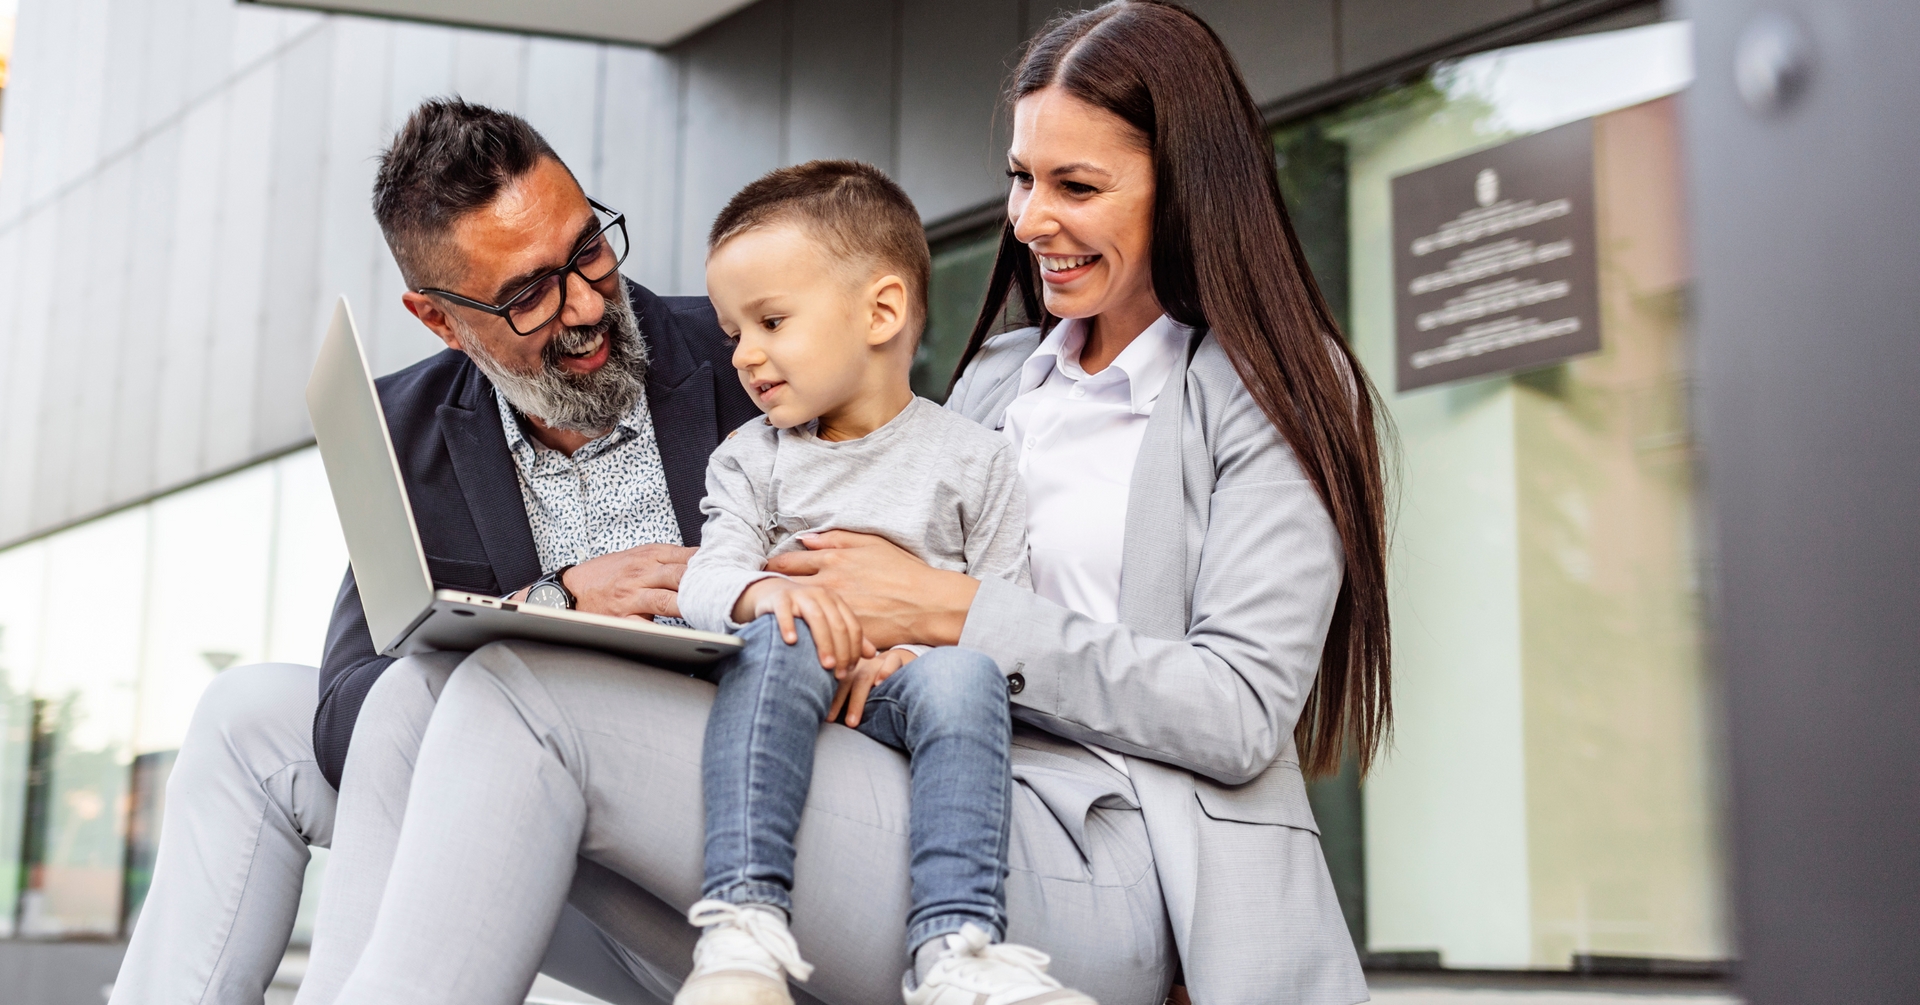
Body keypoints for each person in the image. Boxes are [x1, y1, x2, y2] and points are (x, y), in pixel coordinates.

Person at [311, 3, 1392, 1004]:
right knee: (416, 700)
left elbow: (1242, 712)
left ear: (1186, 186)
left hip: (1119, 855)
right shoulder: (1002, 378)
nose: (1029, 221)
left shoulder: (1273, 399)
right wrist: (859, 645)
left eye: (1077, 186)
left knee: (514, 693)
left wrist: (946, 612)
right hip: (922, 790)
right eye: (1021, 179)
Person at [108, 98, 759, 1005]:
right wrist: (553, 608)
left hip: (701, 845)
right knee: (249, 711)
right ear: (439, 320)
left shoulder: (749, 359)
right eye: (529, 293)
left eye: (589, 250)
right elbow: (347, 714)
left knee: (427, 689)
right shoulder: (404, 432)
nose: (584, 304)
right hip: (511, 831)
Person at [672, 160, 1092, 1005]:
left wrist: (910, 650)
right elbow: (706, 576)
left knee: (966, 672)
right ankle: (743, 929)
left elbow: (1006, 613)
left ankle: (957, 948)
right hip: (788, 682)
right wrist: (766, 594)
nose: (747, 356)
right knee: (780, 636)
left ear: (883, 311)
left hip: (910, 699)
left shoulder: (976, 459)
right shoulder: (750, 459)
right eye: (733, 333)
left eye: (771, 321)